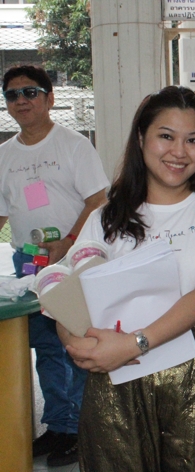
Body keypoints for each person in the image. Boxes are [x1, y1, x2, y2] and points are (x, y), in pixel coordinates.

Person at [56, 86, 195, 470]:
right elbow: (68, 294)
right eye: (166, 136)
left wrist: (135, 343)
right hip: (115, 374)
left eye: (193, 140)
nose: (179, 151)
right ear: (141, 138)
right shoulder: (106, 217)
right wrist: (77, 344)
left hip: (194, 369)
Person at [0, 65, 109, 466]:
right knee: (46, 346)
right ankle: (59, 425)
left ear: (49, 98)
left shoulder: (73, 145)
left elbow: (98, 200)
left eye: (30, 92)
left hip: (73, 258)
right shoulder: (4, 155)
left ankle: (82, 430)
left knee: (77, 344)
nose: (21, 101)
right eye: (12, 95)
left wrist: (69, 242)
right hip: (29, 262)